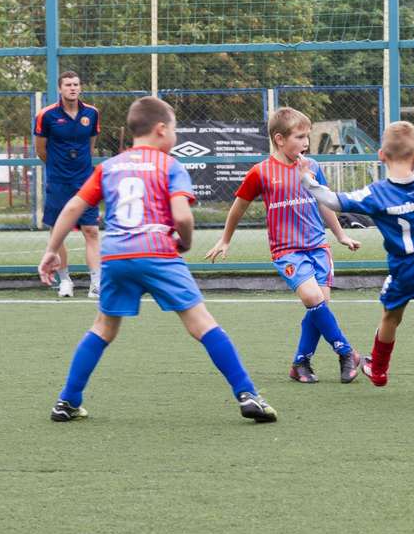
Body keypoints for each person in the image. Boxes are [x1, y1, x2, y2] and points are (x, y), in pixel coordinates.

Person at [38, 96, 277, 424]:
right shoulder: (170, 166)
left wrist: (52, 249)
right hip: (158, 252)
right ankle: (247, 394)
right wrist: (186, 243)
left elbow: (72, 208)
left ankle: (67, 401)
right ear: (162, 129)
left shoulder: (108, 167)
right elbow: (182, 216)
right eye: (175, 129)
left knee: (103, 328)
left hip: (117, 256)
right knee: (201, 323)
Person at [300, 123, 414, 404]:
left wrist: (307, 180)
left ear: (381, 155)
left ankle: (378, 369)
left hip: (403, 269)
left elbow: (331, 200)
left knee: (391, 318)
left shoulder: (376, 194)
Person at [205, 107, 362, 384]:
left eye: (307, 137)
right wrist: (225, 238)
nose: (306, 143)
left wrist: (340, 235)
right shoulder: (261, 172)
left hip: (317, 247)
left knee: (320, 305)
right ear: (279, 139)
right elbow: (238, 207)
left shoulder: (312, 167)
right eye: (300, 137)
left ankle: (300, 363)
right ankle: (346, 352)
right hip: (287, 251)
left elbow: (325, 203)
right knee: (313, 300)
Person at [35, 70, 101, 298]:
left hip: (85, 181)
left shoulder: (92, 114)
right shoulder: (46, 115)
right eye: (68, 85)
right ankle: (65, 281)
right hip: (58, 181)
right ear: (60, 89)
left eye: (76, 84)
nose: (72, 88)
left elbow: (91, 144)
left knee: (91, 230)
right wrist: (58, 166)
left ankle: (96, 283)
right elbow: (40, 149)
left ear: (80, 87)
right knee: (58, 232)